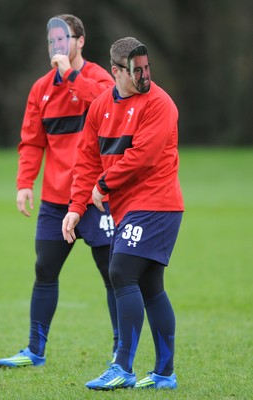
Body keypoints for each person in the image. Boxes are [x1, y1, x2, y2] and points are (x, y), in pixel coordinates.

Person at [62, 37, 184, 390]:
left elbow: (142, 156)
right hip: (128, 207)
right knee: (149, 287)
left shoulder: (160, 103)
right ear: (116, 71)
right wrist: (76, 207)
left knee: (120, 272)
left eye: (147, 68)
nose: (144, 76)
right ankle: (164, 375)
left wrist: (103, 185)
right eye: (136, 71)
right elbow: (85, 160)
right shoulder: (100, 106)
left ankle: (123, 367)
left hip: (157, 204)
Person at [0, 14, 117, 368]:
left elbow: (106, 105)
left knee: (114, 276)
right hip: (54, 201)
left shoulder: (98, 78)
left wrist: (71, 76)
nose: (57, 46)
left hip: (97, 199)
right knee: (44, 271)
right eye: (52, 41)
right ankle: (35, 351)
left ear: (80, 41)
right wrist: (23, 184)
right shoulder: (40, 88)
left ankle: (119, 353)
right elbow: (31, 142)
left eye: (63, 39)